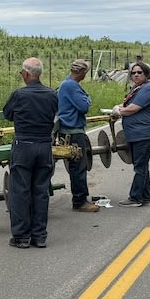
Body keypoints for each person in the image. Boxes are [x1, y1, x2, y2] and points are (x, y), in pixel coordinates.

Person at [3, 57, 58, 248]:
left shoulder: (19, 94)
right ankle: (39, 236)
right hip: (44, 146)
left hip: (24, 145)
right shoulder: (52, 94)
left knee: (20, 191)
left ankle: (21, 236)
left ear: (26, 74)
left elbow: (7, 114)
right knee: (41, 191)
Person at [111, 61, 150, 207]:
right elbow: (126, 105)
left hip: (143, 134)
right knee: (142, 166)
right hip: (136, 134)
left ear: (146, 74)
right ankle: (146, 197)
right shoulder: (137, 89)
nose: (136, 75)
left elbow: (133, 108)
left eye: (139, 72)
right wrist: (118, 107)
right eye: (133, 73)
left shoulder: (148, 89)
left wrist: (120, 111)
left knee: (140, 167)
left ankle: (135, 198)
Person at [58, 59, 98, 213]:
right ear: (82, 72)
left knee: (77, 166)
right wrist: (87, 99)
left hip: (69, 130)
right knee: (78, 167)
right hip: (73, 131)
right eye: (85, 73)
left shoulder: (67, 84)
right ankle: (80, 201)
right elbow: (84, 106)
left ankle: (81, 199)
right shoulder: (71, 86)